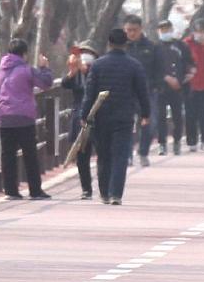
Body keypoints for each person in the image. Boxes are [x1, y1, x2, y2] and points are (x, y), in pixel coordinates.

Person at [84, 28, 150, 205]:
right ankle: (116, 194)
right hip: (124, 116)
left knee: (103, 155)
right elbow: (143, 92)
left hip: (101, 116)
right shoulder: (134, 65)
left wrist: (85, 114)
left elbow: (89, 93)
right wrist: (145, 113)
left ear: (109, 43)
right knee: (120, 155)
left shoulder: (98, 65)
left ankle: (104, 192)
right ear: (125, 44)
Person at [0, 39, 55, 198]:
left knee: (8, 156)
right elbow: (45, 83)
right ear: (24, 54)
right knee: (30, 154)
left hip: (5, 117)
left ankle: (11, 191)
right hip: (24, 117)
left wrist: (0, 99)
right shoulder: (27, 69)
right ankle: (35, 190)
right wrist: (44, 67)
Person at [121, 16, 168, 165]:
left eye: (134, 30)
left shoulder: (151, 47)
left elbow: (160, 68)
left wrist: (157, 86)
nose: (131, 33)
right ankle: (127, 155)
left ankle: (143, 152)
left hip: (147, 93)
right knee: (125, 124)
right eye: (128, 30)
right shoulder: (120, 48)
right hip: (125, 93)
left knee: (149, 123)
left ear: (141, 29)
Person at [59, 42, 99, 198]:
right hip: (79, 118)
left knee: (102, 152)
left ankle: (105, 185)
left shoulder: (98, 70)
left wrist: (87, 71)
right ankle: (86, 189)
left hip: (97, 117)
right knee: (81, 155)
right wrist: (72, 72)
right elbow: (64, 84)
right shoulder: (75, 74)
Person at [156, 18, 194, 155]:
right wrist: (165, 78)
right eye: (162, 30)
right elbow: (152, 68)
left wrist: (190, 73)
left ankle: (177, 141)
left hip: (179, 86)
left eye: (167, 29)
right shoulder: (155, 47)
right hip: (161, 87)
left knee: (177, 116)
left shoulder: (181, 46)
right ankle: (162, 143)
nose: (165, 32)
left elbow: (190, 62)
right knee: (160, 116)